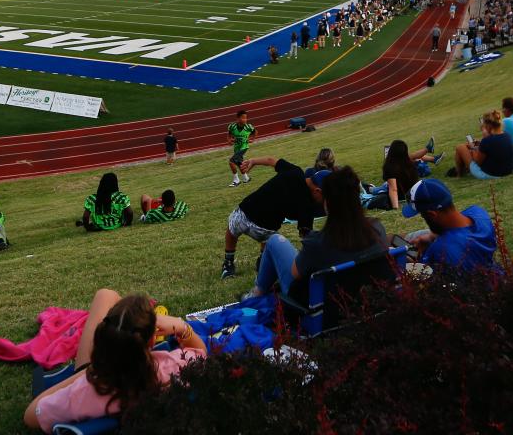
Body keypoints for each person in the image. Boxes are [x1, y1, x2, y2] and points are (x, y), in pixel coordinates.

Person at [24, 289, 207, 431]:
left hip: (100, 375)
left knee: (105, 295)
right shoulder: (171, 367)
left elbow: (31, 415)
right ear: (152, 340)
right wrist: (182, 327)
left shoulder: (82, 392)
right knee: (108, 296)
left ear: (103, 340)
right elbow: (201, 352)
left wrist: (91, 372)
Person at [245, 167, 389, 300]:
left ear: (328, 204)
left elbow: (295, 274)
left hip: (320, 311)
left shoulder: (318, 243)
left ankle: (257, 293)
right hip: (366, 301)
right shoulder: (377, 228)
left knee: (275, 241)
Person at [220, 155, 325, 279]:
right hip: (266, 229)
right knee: (270, 241)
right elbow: (305, 235)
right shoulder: (308, 207)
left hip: (246, 211)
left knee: (232, 230)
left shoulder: (295, 171)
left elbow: (271, 160)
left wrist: (253, 161)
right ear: (318, 191)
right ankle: (263, 261)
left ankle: (228, 263)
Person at [400, 179, 497, 272]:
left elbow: (423, 274)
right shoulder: (479, 214)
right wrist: (432, 236)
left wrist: (407, 263)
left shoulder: (441, 249)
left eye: (423, 215)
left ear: (432, 214)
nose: (423, 218)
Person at [363, 140, 431, 211]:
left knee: (385, 186)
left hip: (401, 194)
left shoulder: (390, 167)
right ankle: (372, 189)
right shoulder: (410, 161)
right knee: (386, 185)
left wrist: (395, 207)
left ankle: (372, 189)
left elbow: (393, 189)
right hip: (413, 191)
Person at [449, 111, 513, 179]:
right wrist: (480, 145)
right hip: (507, 172)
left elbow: (477, 162)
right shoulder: (507, 135)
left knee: (460, 147)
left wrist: (473, 148)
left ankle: (459, 175)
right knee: (466, 147)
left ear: (488, 125)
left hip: (490, 175)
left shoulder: (486, 140)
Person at [226, 110, 256, 187]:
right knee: (239, 163)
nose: (245, 120)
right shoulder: (232, 126)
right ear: (238, 118)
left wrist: (251, 139)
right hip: (236, 148)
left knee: (231, 161)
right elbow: (229, 134)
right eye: (243, 118)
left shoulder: (248, 127)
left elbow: (255, 132)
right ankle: (246, 178)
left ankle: (236, 180)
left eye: (246, 118)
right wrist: (229, 140)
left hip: (244, 147)